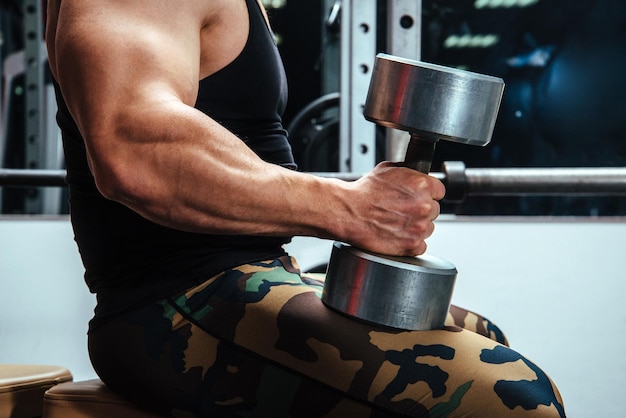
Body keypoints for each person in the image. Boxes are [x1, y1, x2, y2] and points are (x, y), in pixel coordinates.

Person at [45, 0, 565, 416]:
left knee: (481, 335)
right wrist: (351, 207)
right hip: (174, 302)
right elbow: (136, 147)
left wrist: (353, 203)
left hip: (241, 277)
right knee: (516, 398)